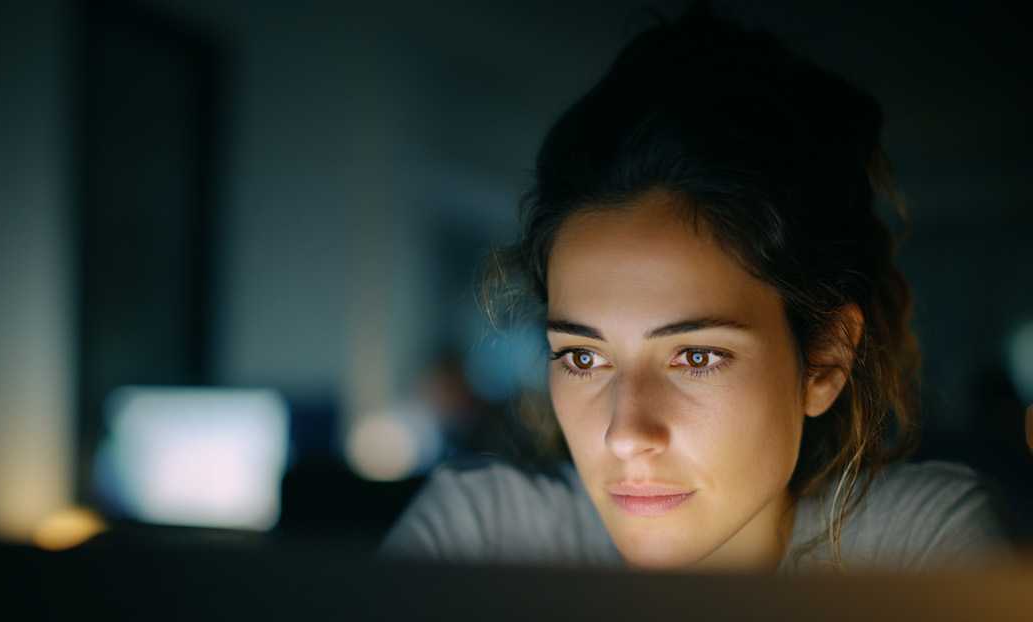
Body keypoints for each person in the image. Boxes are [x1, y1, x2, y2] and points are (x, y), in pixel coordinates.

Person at [381, 5, 1018, 572]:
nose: (625, 434)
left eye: (696, 356)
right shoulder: (483, 541)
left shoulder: (918, 555)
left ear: (824, 358)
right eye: (582, 357)